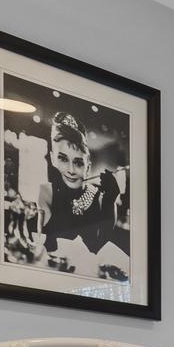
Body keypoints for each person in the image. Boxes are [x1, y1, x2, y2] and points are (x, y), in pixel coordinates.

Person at [38, 112, 127, 268]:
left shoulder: (101, 196)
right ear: (53, 159)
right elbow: (47, 242)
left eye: (78, 163)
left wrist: (109, 202)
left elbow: (102, 248)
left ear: (88, 167)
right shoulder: (47, 192)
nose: (71, 170)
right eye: (63, 159)